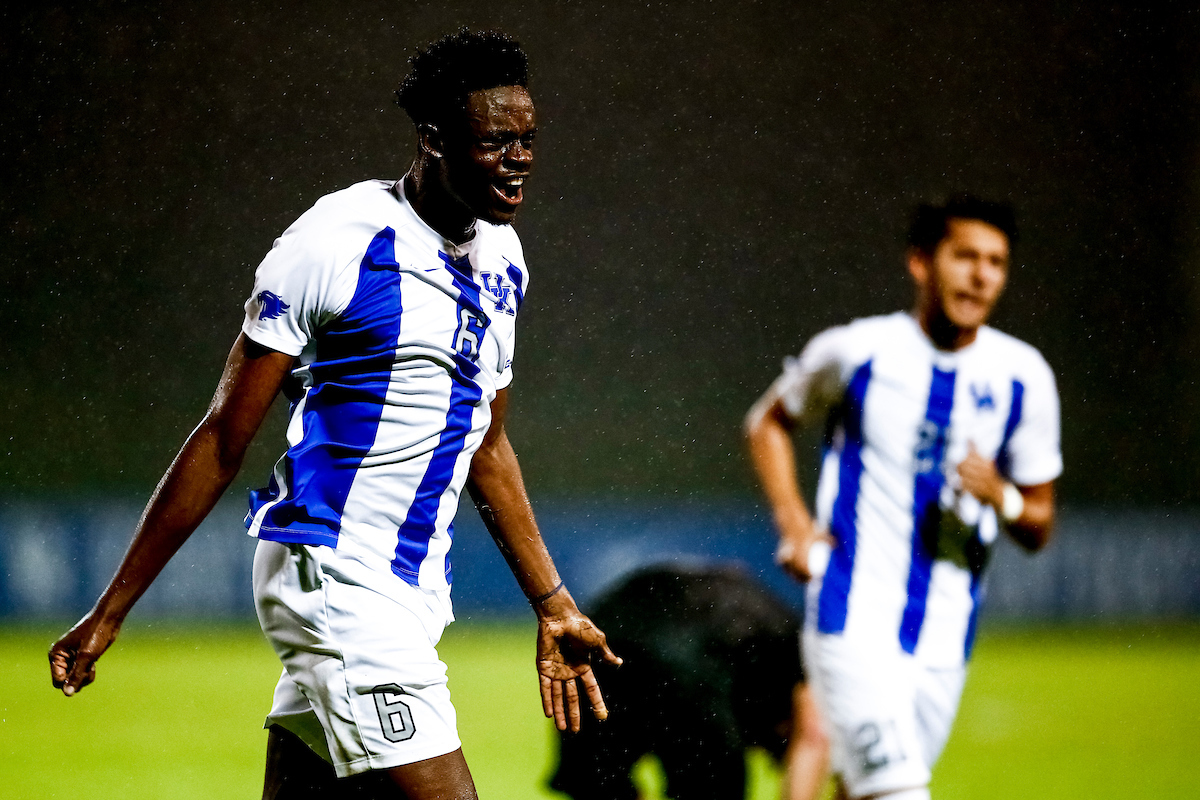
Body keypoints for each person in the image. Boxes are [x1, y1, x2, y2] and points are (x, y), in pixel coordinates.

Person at [48, 29, 620, 800]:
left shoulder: (504, 257)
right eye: (494, 141)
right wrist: (110, 610)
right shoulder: (333, 243)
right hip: (336, 576)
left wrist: (552, 605)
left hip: (410, 589)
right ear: (433, 141)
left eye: (528, 139)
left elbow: (487, 436)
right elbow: (221, 437)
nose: (519, 159)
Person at [743, 196, 1060, 800]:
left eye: (996, 261)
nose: (981, 274)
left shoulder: (1025, 378)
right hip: (851, 618)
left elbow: (1040, 523)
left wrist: (1004, 497)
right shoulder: (858, 352)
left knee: (864, 791)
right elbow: (768, 423)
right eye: (965, 256)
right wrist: (795, 525)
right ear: (921, 263)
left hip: (946, 637)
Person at [549, 563, 828, 800]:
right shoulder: (794, 645)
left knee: (596, 783)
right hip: (686, 667)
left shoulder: (762, 626)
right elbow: (812, 735)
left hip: (596, 644)